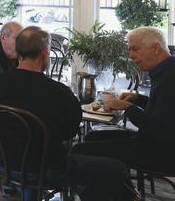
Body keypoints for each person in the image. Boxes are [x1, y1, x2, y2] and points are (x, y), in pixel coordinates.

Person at [0, 26, 133, 201]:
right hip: (49, 171)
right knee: (116, 169)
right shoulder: (58, 92)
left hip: (5, 166)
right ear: (45, 53)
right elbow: (70, 132)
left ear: (17, 51)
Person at [72, 27, 175, 173]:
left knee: (80, 150)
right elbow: (163, 111)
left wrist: (127, 107)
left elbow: (160, 130)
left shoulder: (170, 78)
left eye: (135, 49)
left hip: (163, 153)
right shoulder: (166, 71)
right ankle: (120, 187)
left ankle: (125, 193)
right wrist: (138, 99)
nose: (131, 56)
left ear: (156, 48)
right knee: (94, 136)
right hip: (155, 142)